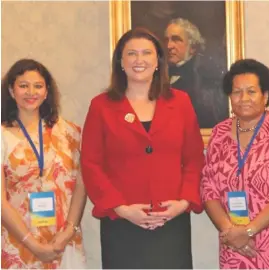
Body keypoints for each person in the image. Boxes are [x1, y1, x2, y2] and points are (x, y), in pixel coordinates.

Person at [81, 27, 204, 269]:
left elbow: (194, 159)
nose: (139, 60)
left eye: (147, 53)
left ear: (158, 61)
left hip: (171, 222)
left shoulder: (180, 102)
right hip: (122, 222)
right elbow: (91, 164)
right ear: (121, 62)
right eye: (132, 54)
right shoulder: (101, 106)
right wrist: (121, 208)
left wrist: (184, 202)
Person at [200, 59, 269, 269]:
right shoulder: (219, 133)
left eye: (251, 91)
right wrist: (230, 232)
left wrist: (248, 231)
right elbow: (208, 189)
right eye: (237, 92)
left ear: (265, 96)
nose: (243, 98)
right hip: (234, 246)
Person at [1, 59, 86, 269]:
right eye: (23, 86)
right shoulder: (2, 136)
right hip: (18, 242)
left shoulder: (70, 133)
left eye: (38, 86)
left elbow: (82, 184)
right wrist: (31, 243)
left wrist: (68, 232)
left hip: (63, 241)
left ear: (47, 92)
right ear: (12, 91)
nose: (31, 92)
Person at [165, 18, 229, 128]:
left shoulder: (204, 79)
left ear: (193, 48)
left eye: (176, 40)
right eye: (167, 40)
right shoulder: (159, 75)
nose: (169, 46)